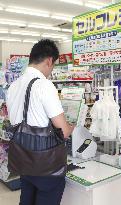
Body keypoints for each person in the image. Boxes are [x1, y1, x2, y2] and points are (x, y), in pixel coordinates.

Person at [6, 39, 75, 205]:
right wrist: (71, 127)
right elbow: (63, 131)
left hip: (23, 161)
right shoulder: (44, 85)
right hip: (46, 166)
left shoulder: (13, 86)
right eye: (53, 66)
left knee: (26, 200)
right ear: (49, 60)